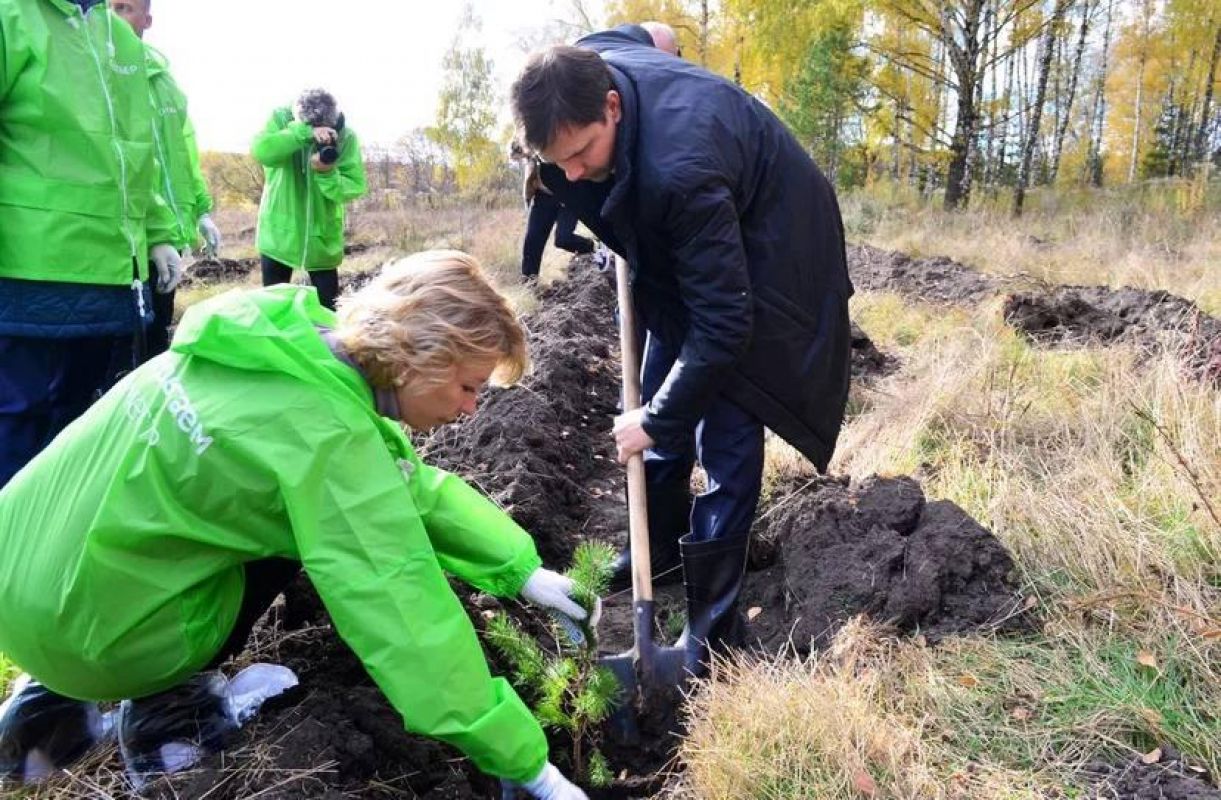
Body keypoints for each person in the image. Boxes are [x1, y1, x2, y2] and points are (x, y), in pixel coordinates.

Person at [0, 252, 591, 799]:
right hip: (100, 644)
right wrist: (529, 765)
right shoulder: (325, 443)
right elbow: (405, 616)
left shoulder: (270, 335)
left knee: (192, 505)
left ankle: (37, 717)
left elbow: (402, 484)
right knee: (294, 538)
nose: (469, 409)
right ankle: (168, 719)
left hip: (18, 579)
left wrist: (520, 570)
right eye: (467, 387)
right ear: (422, 358)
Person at [510, 41, 853, 674]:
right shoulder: (587, 63)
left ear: (613, 106)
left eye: (582, 153)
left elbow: (724, 324)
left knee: (725, 419)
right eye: (557, 161)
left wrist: (657, 418)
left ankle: (713, 632)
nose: (573, 173)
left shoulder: (681, 169)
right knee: (660, 383)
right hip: (683, 246)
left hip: (771, 253)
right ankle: (661, 551)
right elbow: (654, 30)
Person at [0, 0, 182, 489]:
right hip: (25, 265)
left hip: (106, 270)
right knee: (17, 414)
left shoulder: (121, 40)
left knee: (83, 419)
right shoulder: (12, 15)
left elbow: (138, 156)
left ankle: (56, 537)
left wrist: (160, 232)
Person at [109, 0, 223, 357]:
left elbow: (184, 155)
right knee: (115, 346)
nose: (115, 17)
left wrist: (202, 211)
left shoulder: (165, 82)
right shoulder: (95, 70)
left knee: (157, 334)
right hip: (118, 234)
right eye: (110, 7)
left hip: (165, 233)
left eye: (126, 8)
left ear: (147, 19)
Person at [252, 88, 368, 311]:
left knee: (328, 311)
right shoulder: (281, 120)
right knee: (275, 310)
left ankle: (327, 346)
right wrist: (300, 134)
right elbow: (262, 152)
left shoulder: (346, 136)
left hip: (322, 239)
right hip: (278, 237)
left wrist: (326, 173)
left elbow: (352, 187)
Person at [512, 143, 595, 281]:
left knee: (563, 239)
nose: (522, 160)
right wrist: (527, 203)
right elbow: (529, 183)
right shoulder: (531, 161)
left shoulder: (550, 147)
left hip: (568, 196)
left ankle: (591, 246)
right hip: (543, 198)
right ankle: (529, 281)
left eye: (521, 156)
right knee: (533, 238)